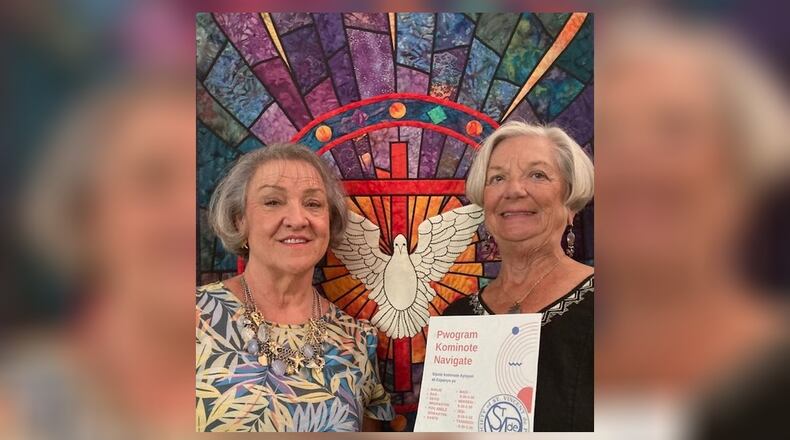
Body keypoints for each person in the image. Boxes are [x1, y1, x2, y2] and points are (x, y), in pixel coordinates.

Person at [195, 143, 393, 432]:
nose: (298, 220)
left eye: (313, 204)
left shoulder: (357, 342)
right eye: (273, 202)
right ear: (240, 221)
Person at [444, 121, 595, 431]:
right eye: (497, 178)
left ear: (570, 201)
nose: (513, 190)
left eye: (537, 175)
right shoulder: (457, 320)